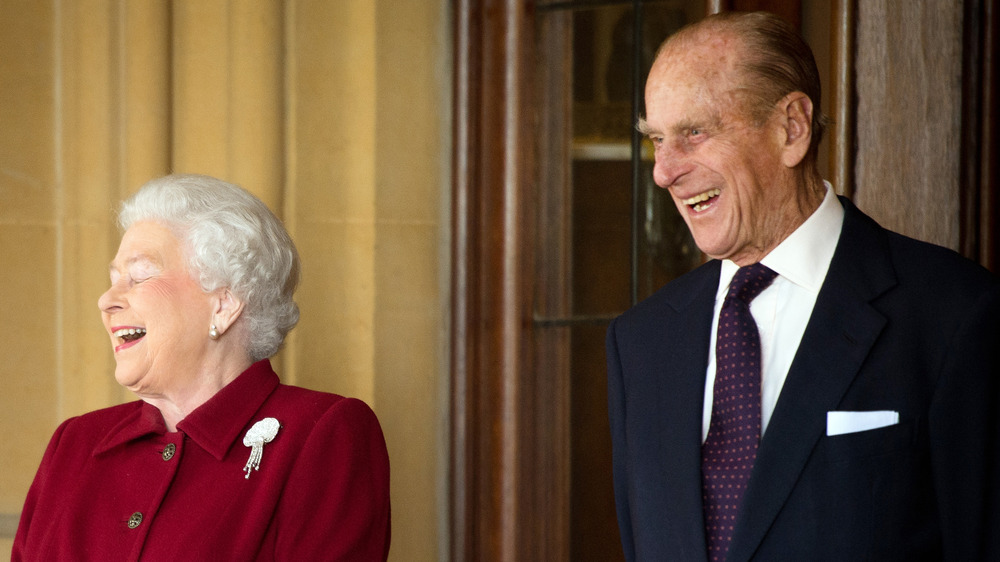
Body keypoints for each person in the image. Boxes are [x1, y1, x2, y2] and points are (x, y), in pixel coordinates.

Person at [606, 11, 1000, 562]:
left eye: (694, 132)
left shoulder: (954, 313)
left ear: (791, 127)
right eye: (656, 140)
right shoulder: (639, 342)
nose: (664, 172)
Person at [13, 174, 391, 560]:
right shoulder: (75, 443)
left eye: (139, 275)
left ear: (224, 304)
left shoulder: (323, 433)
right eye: (113, 280)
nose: (106, 300)